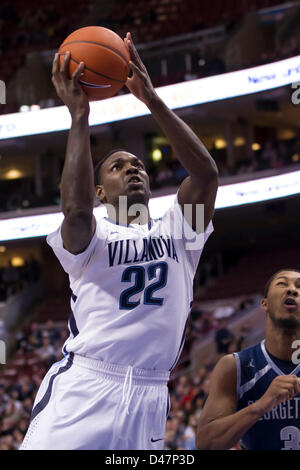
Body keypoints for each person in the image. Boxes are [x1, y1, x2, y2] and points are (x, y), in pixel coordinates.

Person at [20, 32, 218, 450]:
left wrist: (152, 100)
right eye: (117, 167)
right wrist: (79, 118)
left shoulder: (183, 233)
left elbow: (205, 175)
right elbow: (74, 213)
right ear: (100, 192)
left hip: (150, 396)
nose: (132, 169)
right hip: (86, 389)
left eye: (138, 164)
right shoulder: (92, 238)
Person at [196, 269, 300, 450]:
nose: (292, 290)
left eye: (299, 287)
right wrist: (261, 406)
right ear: (265, 303)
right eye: (282, 283)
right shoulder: (235, 366)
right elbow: (206, 443)